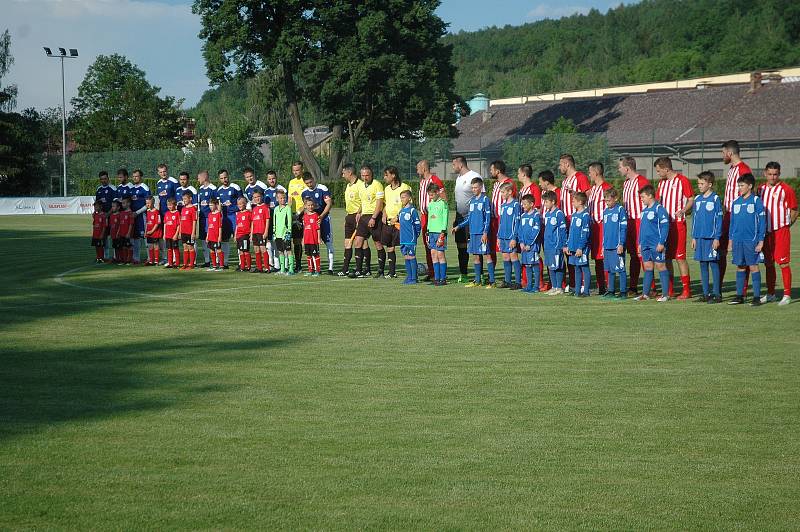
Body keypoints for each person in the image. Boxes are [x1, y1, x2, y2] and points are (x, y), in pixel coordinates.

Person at [654, 156, 694, 299]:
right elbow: (657, 201)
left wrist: (684, 210)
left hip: (678, 224)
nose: (658, 173)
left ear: (666, 168)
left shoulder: (683, 181)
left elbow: (691, 199)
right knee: (667, 258)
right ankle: (669, 289)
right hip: (664, 226)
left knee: (680, 257)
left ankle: (686, 290)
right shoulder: (661, 184)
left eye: (659, 171)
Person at [758, 161, 797, 305]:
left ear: (779, 174)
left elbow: (794, 209)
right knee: (768, 263)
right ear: (765, 173)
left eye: (775, 174)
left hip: (781, 231)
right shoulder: (760, 189)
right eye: (770, 174)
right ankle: (771, 293)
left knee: (783, 262)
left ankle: (787, 294)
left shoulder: (786, 189)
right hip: (766, 232)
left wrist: (787, 225)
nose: (773, 177)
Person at [728, 173, 766, 306]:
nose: (739, 188)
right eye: (738, 185)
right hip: (737, 240)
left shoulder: (756, 201)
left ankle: (756, 297)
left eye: (742, 185)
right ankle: (740, 296)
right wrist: (730, 240)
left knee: (754, 267)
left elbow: (762, 222)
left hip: (751, 240)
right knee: (740, 266)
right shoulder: (736, 202)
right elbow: (732, 223)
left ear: (750, 186)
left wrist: (761, 241)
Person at [720, 140, 752, 285]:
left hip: (738, 217)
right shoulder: (732, 169)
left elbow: (747, 195)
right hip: (727, 216)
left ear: (729, 153)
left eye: (723, 153)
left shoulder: (743, 169)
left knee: (742, 254)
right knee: (720, 251)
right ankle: (717, 289)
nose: (722, 156)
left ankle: (743, 290)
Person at [452, 177, 494, 287]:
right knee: (476, 256)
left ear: (481, 187)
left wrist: (485, 233)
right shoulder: (472, 201)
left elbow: (488, 218)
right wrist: (458, 227)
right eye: (472, 188)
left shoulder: (485, 200)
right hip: (473, 233)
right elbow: (469, 219)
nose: (473, 189)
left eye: (475, 187)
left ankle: (492, 281)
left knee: (487, 256)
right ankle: (477, 280)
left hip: (482, 233)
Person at [558, 154, 591, 293]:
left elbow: (588, 195)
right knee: (569, 254)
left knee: (580, 253)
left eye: (560, 164)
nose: (559, 167)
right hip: (567, 220)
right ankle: (573, 284)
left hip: (578, 221)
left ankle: (583, 285)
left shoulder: (581, 177)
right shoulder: (565, 181)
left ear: (567, 164)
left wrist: (576, 193)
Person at [618, 156, 650, 295]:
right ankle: (633, 286)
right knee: (633, 255)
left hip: (639, 222)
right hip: (629, 222)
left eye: (620, 167)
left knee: (642, 253)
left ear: (627, 168)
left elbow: (650, 201)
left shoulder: (641, 181)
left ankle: (651, 288)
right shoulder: (626, 183)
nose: (619, 170)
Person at [691, 172, 723, 303]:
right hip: (699, 238)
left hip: (711, 239)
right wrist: (693, 237)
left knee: (713, 264)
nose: (699, 186)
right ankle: (705, 294)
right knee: (703, 264)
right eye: (698, 183)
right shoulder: (697, 199)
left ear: (709, 184)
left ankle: (717, 294)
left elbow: (719, 219)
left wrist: (717, 238)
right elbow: (694, 219)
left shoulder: (715, 199)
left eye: (702, 184)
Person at [635, 185, 671, 302]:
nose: (641, 199)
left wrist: (661, 242)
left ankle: (665, 295)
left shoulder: (659, 209)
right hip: (645, 245)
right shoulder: (644, 210)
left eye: (643, 197)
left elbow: (665, 226)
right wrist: (640, 243)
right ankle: (645, 294)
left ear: (650, 196)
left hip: (656, 244)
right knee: (647, 267)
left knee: (661, 266)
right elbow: (642, 228)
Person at [451, 156, 482, 282]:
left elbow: (481, 196)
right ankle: (463, 274)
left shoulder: (473, 176)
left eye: (453, 164)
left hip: (471, 217)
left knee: (474, 247)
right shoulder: (458, 178)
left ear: (460, 164)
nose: (453, 167)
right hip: (459, 217)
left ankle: (479, 276)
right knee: (461, 246)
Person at [351, 165, 385, 278]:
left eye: (367, 175)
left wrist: (374, 218)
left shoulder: (377, 185)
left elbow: (380, 203)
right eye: (363, 175)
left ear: (371, 175)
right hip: (363, 217)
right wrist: (359, 212)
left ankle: (380, 270)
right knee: (358, 242)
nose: (365, 177)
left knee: (377, 243)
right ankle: (359, 270)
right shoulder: (361, 186)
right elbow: (362, 201)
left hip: (374, 217)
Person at [381, 166, 412, 279]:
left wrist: (398, 217)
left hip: (401, 224)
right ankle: (392, 272)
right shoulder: (387, 189)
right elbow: (386, 204)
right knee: (390, 246)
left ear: (393, 175)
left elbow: (408, 206)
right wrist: (384, 214)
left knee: (405, 247)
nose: (384, 177)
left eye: (386, 175)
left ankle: (411, 272)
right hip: (389, 223)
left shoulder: (405, 187)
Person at [301, 171, 334, 275]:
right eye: (307, 183)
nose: (309, 185)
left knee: (328, 243)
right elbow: (305, 208)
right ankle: (314, 269)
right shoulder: (304, 192)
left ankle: (330, 268)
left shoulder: (322, 188)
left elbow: (329, 203)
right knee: (312, 245)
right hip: (312, 222)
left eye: (311, 182)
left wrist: (321, 216)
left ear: (313, 179)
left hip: (324, 219)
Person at [586, 162, 612, 294]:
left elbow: (611, 208)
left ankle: (608, 286)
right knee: (596, 257)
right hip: (593, 227)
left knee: (604, 257)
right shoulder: (594, 188)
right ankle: (601, 286)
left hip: (603, 226)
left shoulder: (606, 187)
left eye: (590, 172)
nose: (589, 175)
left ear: (596, 173)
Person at [416, 160, 444, 279]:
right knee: (428, 244)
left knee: (435, 246)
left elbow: (443, 198)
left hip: (433, 218)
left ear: (424, 169)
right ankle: (431, 272)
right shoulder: (422, 181)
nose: (417, 171)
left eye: (418, 168)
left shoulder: (435, 180)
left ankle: (438, 274)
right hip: (424, 217)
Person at [488, 160, 518, 270]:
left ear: (498, 171)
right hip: (493, 220)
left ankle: (512, 278)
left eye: (491, 170)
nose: (490, 172)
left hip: (504, 221)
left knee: (507, 250)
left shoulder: (509, 184)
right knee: (492, 248)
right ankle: (493, 276)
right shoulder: (496, 184)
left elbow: (514, 202)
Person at [601, 189, 627, 300]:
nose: (607, 203)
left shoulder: (620, 209)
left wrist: (621, 244)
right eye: (606, 201)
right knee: (610, 269)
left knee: (620, 269)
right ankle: (611, 291)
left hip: (617, 245)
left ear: (615, 199)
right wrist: (603, 245)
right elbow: (604, 230)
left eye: (609, 200)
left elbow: (623, 228)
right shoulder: (605, 211)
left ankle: (623, 292)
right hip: (607, 245)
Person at [564, 192, 591, 297]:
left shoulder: (585, 215)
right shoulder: (574, 215)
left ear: (580, 202)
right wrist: (568, 245)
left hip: (581, 248)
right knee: (576, 268)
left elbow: (585, 233)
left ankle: (586, 291)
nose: (572, 202)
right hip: (573, 247)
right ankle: (577, 291)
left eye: (573, 201)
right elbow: (571, 232)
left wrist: (580, 247)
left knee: (584, 267)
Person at [340, 163, 364, 276]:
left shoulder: (360, 185)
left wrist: (359, 213)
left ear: (350, 173)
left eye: (344, 172)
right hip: (349, 216)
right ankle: (345, 269)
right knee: (347, 243)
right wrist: (347, 216)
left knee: (360, 243)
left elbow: (364, 202)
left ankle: (361, 269)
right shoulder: (348, 185)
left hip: (358, 216)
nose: (342, 175)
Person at [542, 191, 567, 295]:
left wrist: (564, 244)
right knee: (550, 266)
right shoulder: (547, 214)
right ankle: (553, 286)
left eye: (546, 202)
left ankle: (559, 287)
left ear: (553, 201)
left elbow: (563, 230)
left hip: (556, 245)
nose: (545, 204)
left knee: (558, 266)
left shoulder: (559, 213)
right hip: (548, 245)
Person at [497, 182, 522, 290]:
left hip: (511, 237)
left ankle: (517, 282)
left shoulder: (516, 205)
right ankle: (507, 281)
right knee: (505, 257)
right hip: (502, 236)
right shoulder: (503, 205)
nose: (501, 194)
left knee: (513, 257)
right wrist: (498, 236)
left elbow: (517, 222)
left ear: (510, 192)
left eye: (503, 192)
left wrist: (514, 237)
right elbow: (501, 222)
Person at [217, 169, 242, 268]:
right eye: (222, 178)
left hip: (235, 216)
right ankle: (225, 262)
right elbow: (219, 205)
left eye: (225, 177)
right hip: (225, 217)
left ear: (228, 176)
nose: (224, 180)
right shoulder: (219, 190)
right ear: (219, 179)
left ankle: (241, 263)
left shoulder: (235, 187)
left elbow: (242, 201)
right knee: (224, 240)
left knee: (239, 239)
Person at [518, 194, 542, 293]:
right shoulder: (523, 216)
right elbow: (520, 230)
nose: (523, 206)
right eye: (522, 204)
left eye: (525, 204)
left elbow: (536, 230)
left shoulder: (536, 215)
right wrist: (521, 242)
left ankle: (536, 286)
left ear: (532, 204)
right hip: (524, 246)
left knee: (534, 264)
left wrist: (530, 244)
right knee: (527, 265)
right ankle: (529, 285)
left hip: (532, 246)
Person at [263, 170, 287, 271]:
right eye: (269, 179)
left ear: (276, 178)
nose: (271, 180)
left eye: (273, 178)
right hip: (270, 219)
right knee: (270, 241)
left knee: (280, 242)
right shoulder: (266, 191)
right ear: (267, 180)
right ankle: (272, 263)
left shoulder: (282, 189)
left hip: (280, 221)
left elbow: (286, 204)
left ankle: (283, 265)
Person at [427, 182, 449, 286]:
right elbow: (430, 219)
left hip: (440, 232)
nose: (430, 197)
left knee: (440, 254)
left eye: (431, 195)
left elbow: (445, 218)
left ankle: (443, 278)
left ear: (437, 193)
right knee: (433, 254)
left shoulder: (443, 203)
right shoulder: (430, 204)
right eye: (429, 195)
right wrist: (428, 230)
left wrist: (443, 232)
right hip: (431, 232)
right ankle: (436, 278)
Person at [155, 163, 178, 264]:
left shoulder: (173, 181)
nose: (163, 173)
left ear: (167, 170)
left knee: (173, 236)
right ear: (158, 173)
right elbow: (160, 199)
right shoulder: (159, 183)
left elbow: (178, 197)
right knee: (163, 236)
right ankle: (165, 258)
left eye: (164, 171)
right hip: (162, 213)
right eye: (160, 172)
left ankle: (174, 258)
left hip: (172, 214)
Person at [398, 189, 422, 284]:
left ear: (409, 198)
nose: (402, 199)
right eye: (401, 197)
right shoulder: (401, 211)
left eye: (404, 197)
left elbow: (417, 224)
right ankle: (409, 276)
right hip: (403, 238)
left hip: (411, 238)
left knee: (412, 256)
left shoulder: (412, 210)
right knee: (406, 257)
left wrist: (416, 235)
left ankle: (414, 278)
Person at [287, 161, 307, 271]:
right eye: (294, 170)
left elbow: (307, 200)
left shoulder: (306, 181)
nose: (295, 172)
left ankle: (311, 265)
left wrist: (300, 212)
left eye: (297, 170)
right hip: (294, 215)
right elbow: (290, 199)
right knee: (295, 241)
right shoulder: (291, 182)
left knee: (306, 240)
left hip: (303, 214)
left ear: (302, 169)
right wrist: (289, 212)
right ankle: (298, 264)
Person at [128, 169, 150, 264]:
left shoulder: (144, 188)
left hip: (142, 216)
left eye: (136, 176)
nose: (135, 178)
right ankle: (136, 258)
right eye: (133, 176)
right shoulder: (131, 189)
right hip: (133, 217)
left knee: (145, 236)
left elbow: (148, 203)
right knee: (135, 238)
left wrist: (137, 212)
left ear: (141, 177)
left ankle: (150, 257)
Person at [197, 170, 217, 267]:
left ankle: (216, 261)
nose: (198, 180)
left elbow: (217, 203)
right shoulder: (200, 189)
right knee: (204, 239)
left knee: (213, 239)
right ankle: (207, 261)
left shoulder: (213, 188)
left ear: (204, 177)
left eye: (199, 178)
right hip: (202, 218)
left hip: (210, 218)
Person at [273, 189, 295, 275]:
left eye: (284, 198)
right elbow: (274, 222)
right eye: (281, 198)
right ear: (277, 199)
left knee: (289, 250)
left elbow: (289, 222)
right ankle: (282, 269)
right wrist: (274, 232)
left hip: (285, 234)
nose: (283, 200)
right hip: (278, 234)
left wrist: (289, 232)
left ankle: (291, 269)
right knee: (280, 251)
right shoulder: (275, 209)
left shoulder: (288, 208)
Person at [95, 171, 116, 260]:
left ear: (108, 178)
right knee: (104, 237)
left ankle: (116, 256)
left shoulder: (113, 188)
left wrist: (108, 213)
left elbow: (115, 204)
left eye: (105, 179)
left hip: (112, 216)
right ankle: (105, 256)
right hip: (102, 218)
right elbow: (97, 204)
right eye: (101, 179)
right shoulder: (99, 189)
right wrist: (96, 213)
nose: (103, 181)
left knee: (114, 236)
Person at [250, 190, 271, 273]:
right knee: (256, 250)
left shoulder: (265, 207)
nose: (257, 199)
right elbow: (252, 222)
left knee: (263, 249)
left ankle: (267, 267)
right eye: (255, 197)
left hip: (261, 231)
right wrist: (251, 234)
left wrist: (266, 232)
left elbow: (267, 220)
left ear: (262, 197)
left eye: (258, 196)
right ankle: (259, 268)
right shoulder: (254, 208)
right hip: (255, 232)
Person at [301, 198, 322, 276]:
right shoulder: (305, 216)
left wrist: (319, 238)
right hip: (307, 240)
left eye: (312, 205)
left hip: (314, 240)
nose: (310, 207)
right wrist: (303, 239)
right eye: (308, 205)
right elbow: (304, 228)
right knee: (308, 255)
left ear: (314, 206)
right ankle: (311, 270)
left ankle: (318, 270)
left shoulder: (316, 215)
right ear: (305, 206)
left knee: (315, 254)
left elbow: (318, 228)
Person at [178, 191, 198, 270]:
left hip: (190, 232)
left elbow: (194, 221)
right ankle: (185, 264)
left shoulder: (193, 208)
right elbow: (181, 221)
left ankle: (191, 264)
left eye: (185, 199)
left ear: (190, 199)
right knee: (185, 247)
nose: (184, 200)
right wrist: (180, 232)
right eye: (183, 199)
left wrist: (193, 232)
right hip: (183, 232)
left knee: (191, 247)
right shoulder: (183, 208)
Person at [234, 196, 253, 272]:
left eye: (241, 204)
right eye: (238, 204)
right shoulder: (238, 214)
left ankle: (248, 266)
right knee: (240, 251)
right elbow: (237, 225)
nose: (239, 205)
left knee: (246, 250)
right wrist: (235, 235)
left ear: (245, 204)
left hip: (245, 235)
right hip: (239, 235)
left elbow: (252, 223)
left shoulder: (249, 213)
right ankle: (242, 266)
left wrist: (251, 234)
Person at [205, 197, 224, 271]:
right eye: (209, 205)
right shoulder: (209, 214)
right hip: (210, 235)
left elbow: (220, 226)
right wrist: (207, 236)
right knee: (211, 250)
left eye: (212, 205)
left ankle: (221, 266)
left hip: (216, 235)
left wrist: (219, 236)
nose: (210, 207)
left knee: (218, 250)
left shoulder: (218, 214)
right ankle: (214, 265)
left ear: (216, 205)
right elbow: (209, 226)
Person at [162, 198, 181, 268]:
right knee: (169, 249)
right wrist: (164, 234)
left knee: (175, 249)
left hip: (174, 235)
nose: (169, 206)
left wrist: (176, 234)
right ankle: (170, 263)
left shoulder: (177, 213)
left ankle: (177, 263)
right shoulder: (167, 213)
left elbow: (179, 224)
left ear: (175, 205)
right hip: (168, 235)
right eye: (168, 205)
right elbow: (165, 224)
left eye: (170, 205)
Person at [144, 196, 162, 266]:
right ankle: (151, 260)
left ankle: (156, 261)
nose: (147, 205)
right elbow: (147, 223)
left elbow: (157, 223)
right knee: (150, 246)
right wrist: (146, 232)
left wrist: (152, 231)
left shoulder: (156, 212)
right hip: (149, 232)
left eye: (149, 203)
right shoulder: (148, 211)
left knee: (156, 246)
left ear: (153, 203)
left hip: (155, 232)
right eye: (146, 203)